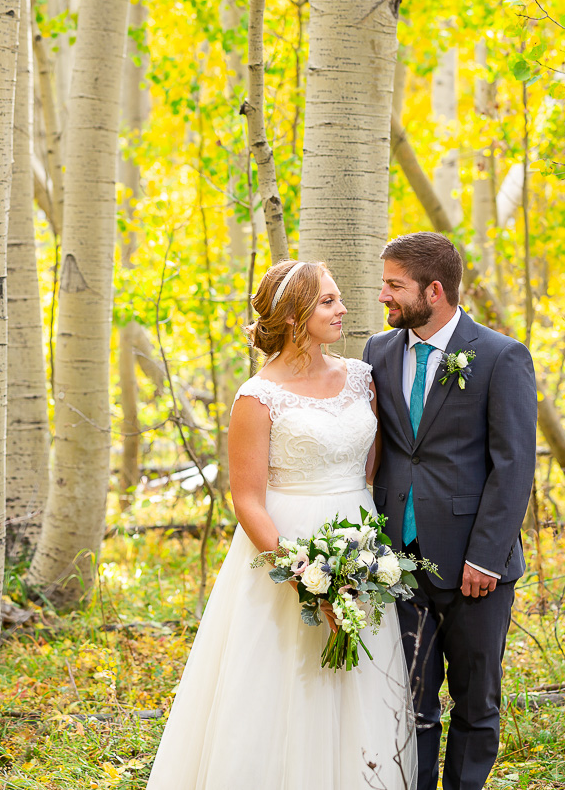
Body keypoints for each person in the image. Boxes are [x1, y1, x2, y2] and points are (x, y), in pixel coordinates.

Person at [146, 260, 416, 790]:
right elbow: (246, 499)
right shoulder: (257, 397)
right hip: (285, 548)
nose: (342, 310)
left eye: (338, 299)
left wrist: (359, 560)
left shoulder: (362, 378)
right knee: (280, 682)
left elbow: (370, 465)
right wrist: (305, 574)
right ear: (294, 316)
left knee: (360, 678)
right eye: (328, 302)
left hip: (358, 543)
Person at [363, 232, 537, 790]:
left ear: (433, 290)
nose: (383, 295)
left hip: (473, 567)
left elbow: (513, 467)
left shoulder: (500, 356)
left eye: (394, 285)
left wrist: (485, 558)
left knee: (475, 703)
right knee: (410, 705)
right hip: (399, 563)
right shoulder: (378, 353)